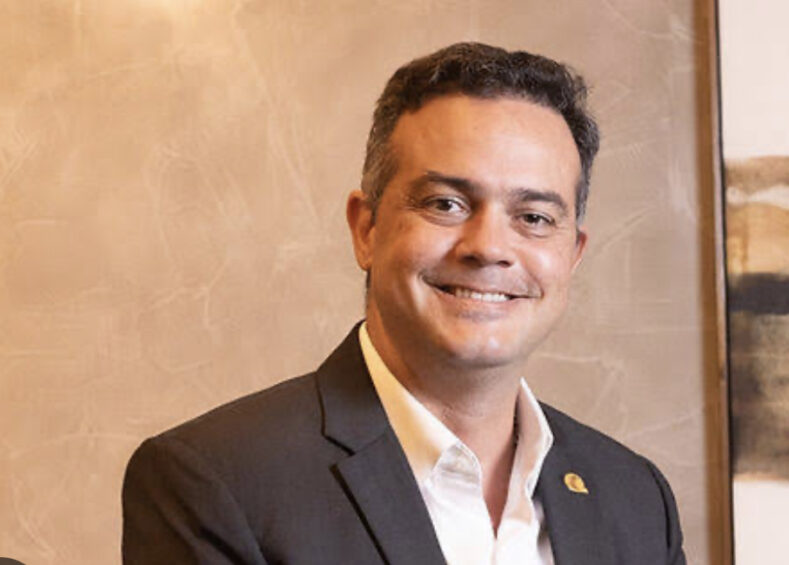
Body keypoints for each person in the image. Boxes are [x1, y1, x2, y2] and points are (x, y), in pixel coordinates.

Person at [122, 42, 686, 565]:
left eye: (534, 217)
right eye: (446, 204)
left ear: (573, 255)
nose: (488, 247)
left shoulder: (635, 498)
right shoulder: (217, 481)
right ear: (365, 229)